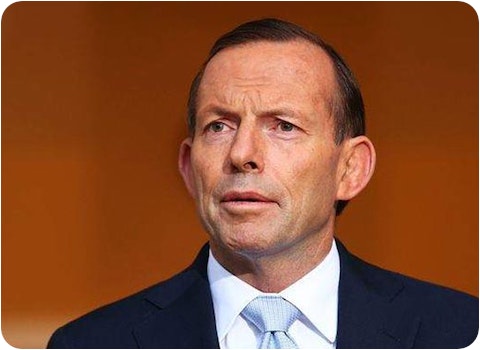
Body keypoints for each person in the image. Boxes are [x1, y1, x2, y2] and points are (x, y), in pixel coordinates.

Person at [47, 18, 478, 349]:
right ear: (187, 166)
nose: (241, 154)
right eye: (219, 126)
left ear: (350, 169)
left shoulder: (459, 331)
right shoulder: (90, 343)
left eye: (284, 126)